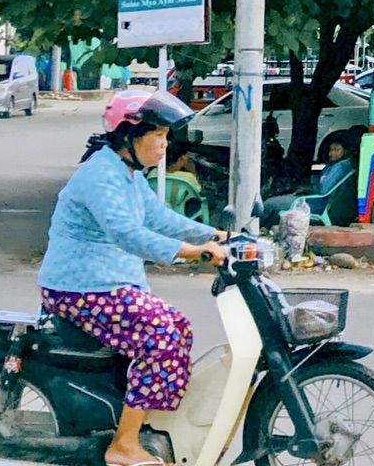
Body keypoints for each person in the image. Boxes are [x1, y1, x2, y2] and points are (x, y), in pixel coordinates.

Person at [39, 89, 226, 466]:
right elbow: (127, 233)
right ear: (128, 136)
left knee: (179, 327)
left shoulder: (126, 172)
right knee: (160, 338)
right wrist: (194, 251)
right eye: (156, 136)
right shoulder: (100, 174)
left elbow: (158, 219)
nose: (163, 145)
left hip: (109, 285)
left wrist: (213, 235)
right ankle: (124, 444)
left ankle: (140, 421)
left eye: (165, 136)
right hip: (81, 288)